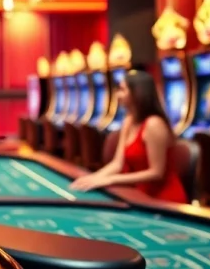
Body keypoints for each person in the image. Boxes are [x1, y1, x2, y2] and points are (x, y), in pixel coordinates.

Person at [68, 70, 188, 204]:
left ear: (137, 93)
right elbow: (118, 163)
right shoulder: (129, 120)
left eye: (122, 90)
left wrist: (111, 179)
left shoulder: (154, 124)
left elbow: (156, 172)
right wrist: (93, 178)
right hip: (140, 194)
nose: (117, 95)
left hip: (164, 199)